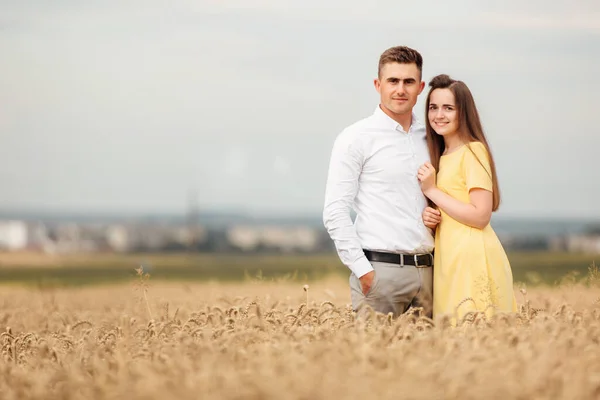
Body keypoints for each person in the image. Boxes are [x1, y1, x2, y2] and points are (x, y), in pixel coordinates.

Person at [323, 46, 437, 318]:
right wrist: (364, 272)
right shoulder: (356, 138)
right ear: (378, 85)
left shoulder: (432, 137)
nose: (401, 89)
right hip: (381, 273)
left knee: (431, 360)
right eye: (393, 81)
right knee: (373, 359)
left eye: (409, 82)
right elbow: (335, 211)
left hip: (433, 273)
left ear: (421, 87)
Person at [417, 74, 518, 323]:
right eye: (433, 107)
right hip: (448, 257)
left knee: (474, 336)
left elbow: (480, 215)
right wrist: (432, 216)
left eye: (448, 108)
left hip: (472, 258)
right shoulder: (442, 154)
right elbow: (454, 205)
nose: (438, 115)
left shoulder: (473, 150)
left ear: (464, 112)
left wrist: (432, 191)